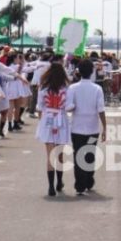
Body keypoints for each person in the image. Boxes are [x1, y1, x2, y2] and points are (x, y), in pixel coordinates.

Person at [66, 59, 106, 195]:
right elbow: (101, 109)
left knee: (78, 155)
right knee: (90, 155)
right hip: (92, 127)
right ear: (92, 71)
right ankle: (89, 180)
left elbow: (68, 107)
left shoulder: (72, 88)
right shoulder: (97, 88)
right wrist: (105, 127)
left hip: (77, 127)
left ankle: (80, 185)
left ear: (78, 72)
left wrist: (74, 107)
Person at [36, 63, 70, 197]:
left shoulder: (43, 88)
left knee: (49, 155)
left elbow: (40, 107)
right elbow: (68, 106)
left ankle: (50, 187)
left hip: (48, 119)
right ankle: (59, 182)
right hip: (61, 119)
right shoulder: (66, 89)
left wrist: (42, 121)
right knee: (60, 154)